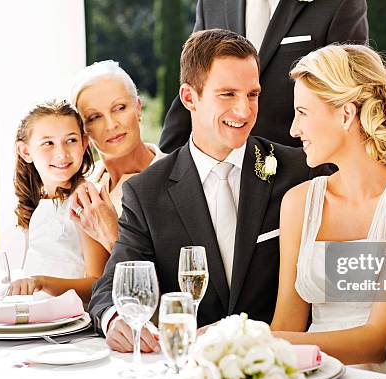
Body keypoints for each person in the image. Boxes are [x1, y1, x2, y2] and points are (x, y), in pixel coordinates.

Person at [88, 29, 316, 353]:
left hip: (281, 364)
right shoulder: (146, 192)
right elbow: (109, 289)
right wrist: (115, 319)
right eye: (227, 95)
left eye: (252, 95)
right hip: (191, 374)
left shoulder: (298, 170)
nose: (244, 111)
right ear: (189, 97)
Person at [270, 44, 386, 375]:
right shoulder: (298, 203)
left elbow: (378, 342)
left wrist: (259, 342)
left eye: (303, 113)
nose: (293, 129)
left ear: (346, 114)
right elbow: (287, 322)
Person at [158, 0, 368, 152]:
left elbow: (348, 97)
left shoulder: (340, 4)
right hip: (219, 170)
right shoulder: (211, 3)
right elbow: (196, 83)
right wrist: (164, 161)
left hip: (297, 172)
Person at [9, 100, 105, 302]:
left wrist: (41, 282)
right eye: (48, 143)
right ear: (25, 152)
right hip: (39, 314)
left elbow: (98, 283)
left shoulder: (85, 199)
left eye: (71, 140)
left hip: (72, 321)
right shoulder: (40, 200)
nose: (61, 153)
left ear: (84, 143)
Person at [69, 60, 167, 254]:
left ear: (138, 108)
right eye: (94, 117)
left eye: (119, 108)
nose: (111, 125)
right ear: (83, 130)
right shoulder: (81, 186)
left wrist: (112, 236)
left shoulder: (179, 180)